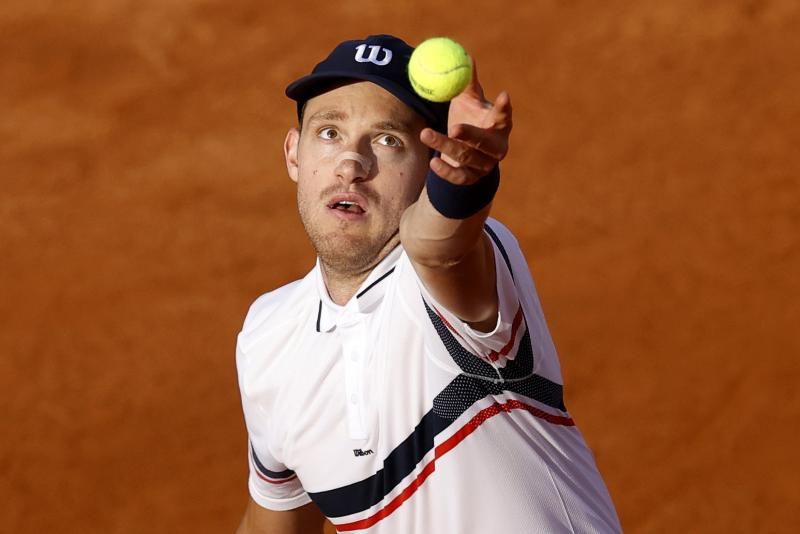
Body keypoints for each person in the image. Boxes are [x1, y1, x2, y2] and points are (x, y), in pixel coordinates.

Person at [234, 34, 621, 534]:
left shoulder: (456, 277)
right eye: (329, 133)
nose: (351, 163)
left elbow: (439, 245)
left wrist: (463, 181)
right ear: (293, 153)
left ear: (428, 168)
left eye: (388, 140)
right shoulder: (268, 338)